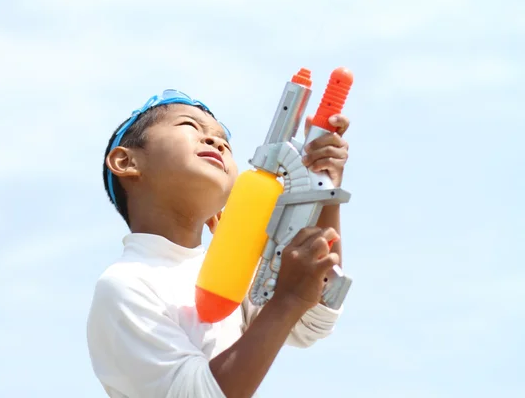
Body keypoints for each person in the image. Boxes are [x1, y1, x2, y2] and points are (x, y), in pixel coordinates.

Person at [87, 89, 352, 398]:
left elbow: (312, 321)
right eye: (189, 126)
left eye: (224, 140)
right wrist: (287, 299)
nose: (217, 142)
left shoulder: (229, 270)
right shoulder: (126, 283)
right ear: (126, 161)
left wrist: (324, 188)